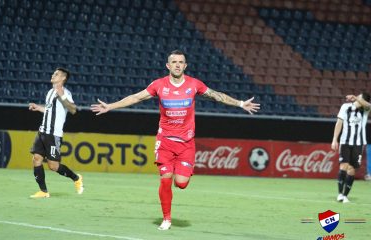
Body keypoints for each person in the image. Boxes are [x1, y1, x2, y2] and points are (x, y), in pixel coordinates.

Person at [91, 50, 260, 230]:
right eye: (174, 62)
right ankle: (166, 219)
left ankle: (177, 182)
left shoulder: (194, 84)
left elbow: (216, 95)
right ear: (168, 65)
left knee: (181, 183)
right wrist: (110, 106)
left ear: (185, 66)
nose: (178, 65)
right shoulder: (159, 85)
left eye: (181, 62)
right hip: (165, 141)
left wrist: (240, 103)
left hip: (186, 143)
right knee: (165, 178)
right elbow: (136, 97)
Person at [29, 67, 84, 198]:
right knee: (36, 159)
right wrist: (38, 108)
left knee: (53, 166)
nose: (53, 75)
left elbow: (73, 109)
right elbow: (50, 111)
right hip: (42, 131)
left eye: (56, 74)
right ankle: (43, 191)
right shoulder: (50, 92)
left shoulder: (65, 93)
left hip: (54, 134)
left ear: (63, 78)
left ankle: (76, 178)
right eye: (54, 73)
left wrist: (62, 96)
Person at [331, 93, 370, 203]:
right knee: (343, 166)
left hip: (359, 143)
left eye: (359, 96)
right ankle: (339, 194)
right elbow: (339, 123)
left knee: (352, 169)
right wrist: (335, 139)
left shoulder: (365, 109)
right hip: (345, 142)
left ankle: (345, 195)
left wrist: (357, 98)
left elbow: (369, 106)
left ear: (363, 99)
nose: (356, 97)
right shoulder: (345, 107)